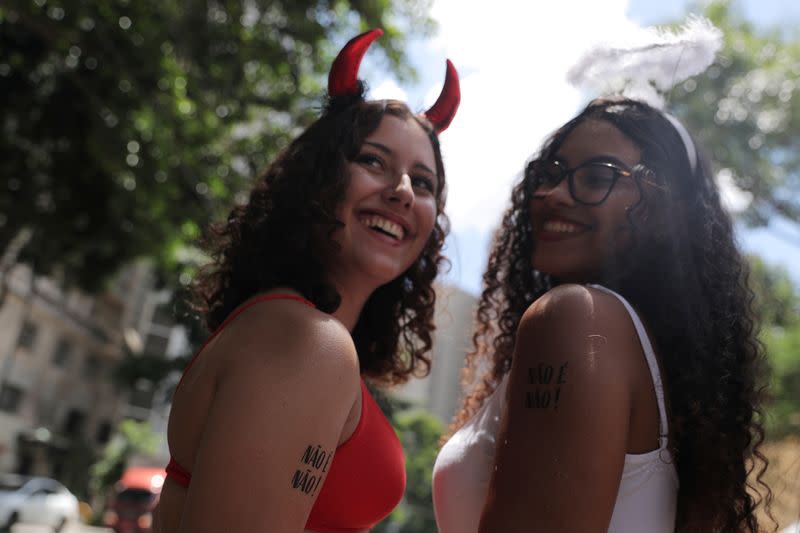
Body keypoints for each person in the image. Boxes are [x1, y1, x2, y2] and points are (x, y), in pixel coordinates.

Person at [152, 29, 460, 533]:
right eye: (374, 161)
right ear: (319, 180)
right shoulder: (307, 340)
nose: (402, 191)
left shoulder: (301, 334)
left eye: (423, 182)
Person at [432, 96, 772, 532]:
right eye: (548, 174)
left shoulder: (577, 317)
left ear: (663, 215)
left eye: (597, 178)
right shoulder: (657, 371)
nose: (551, 194)